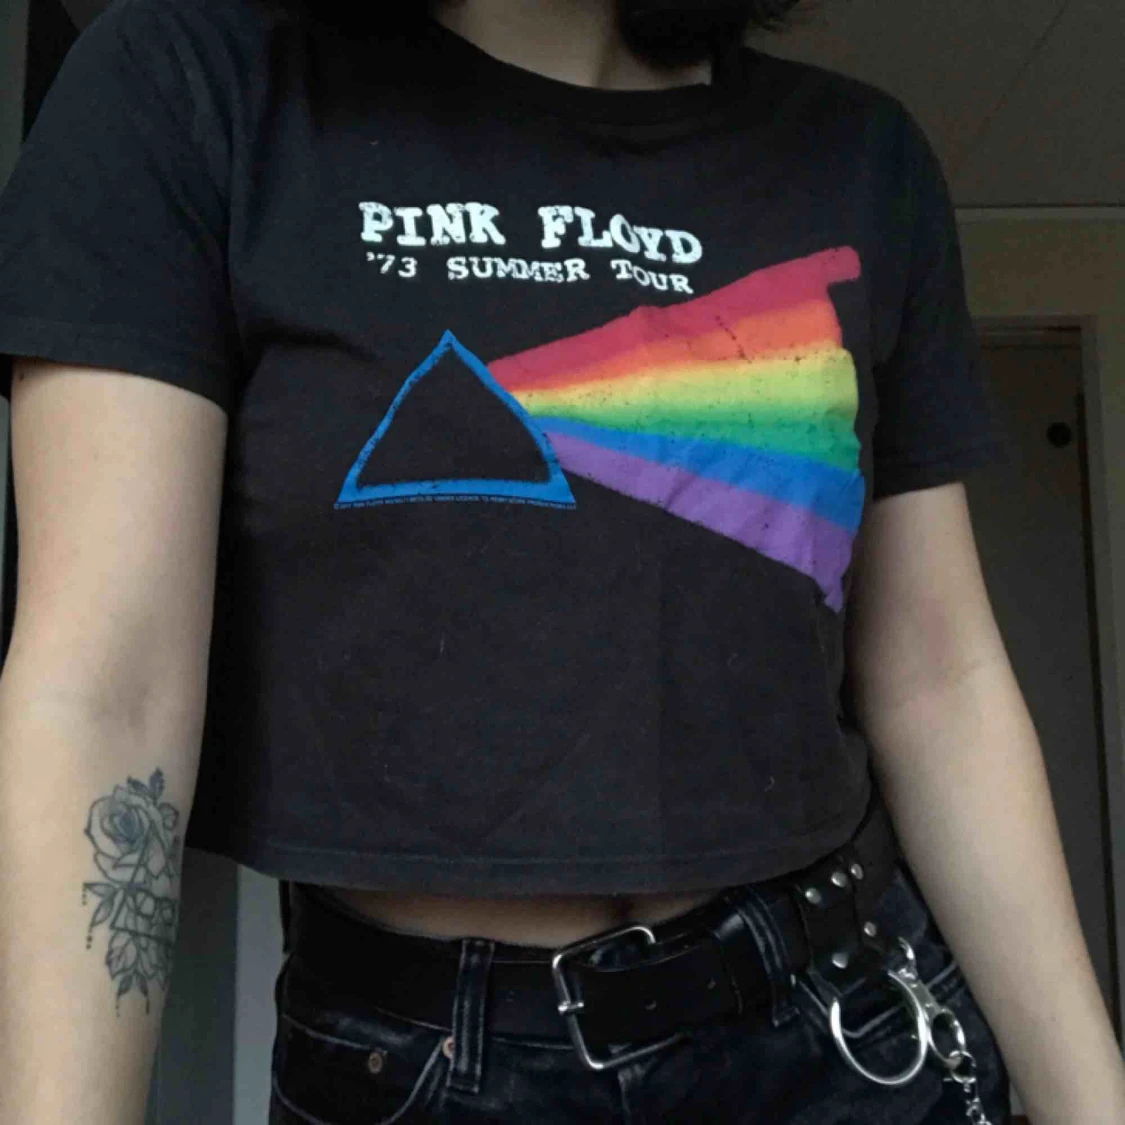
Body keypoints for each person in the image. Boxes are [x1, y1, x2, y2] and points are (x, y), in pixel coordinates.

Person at [1, 0, 1124, 1121]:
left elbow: (939, 679)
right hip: (425, 1070)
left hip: (845, 1030)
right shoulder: (192, 86)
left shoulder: (862, 158)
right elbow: (103, 696)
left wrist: (1090, 1096)